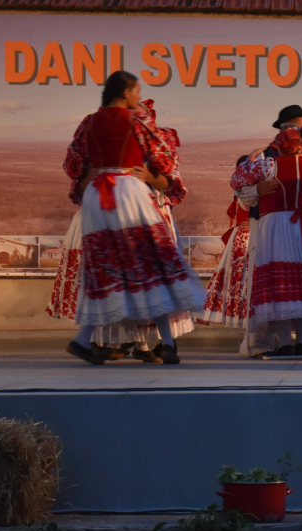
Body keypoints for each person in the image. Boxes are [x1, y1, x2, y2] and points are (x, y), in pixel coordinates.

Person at [62, 71, 204, 365]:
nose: (139, 96)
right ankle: (167, 343)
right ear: (125, 92)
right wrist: (150, 171)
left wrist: (96, 170)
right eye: (137, 91)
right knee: (150, 261)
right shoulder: (137, 120)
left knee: (105, 265)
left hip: (98, 194)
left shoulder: (89, 122)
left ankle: (82, 339)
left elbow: (72, 163)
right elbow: (165, 157)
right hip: (128, 190)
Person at [231, 128, 302, 357]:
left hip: (278, 225)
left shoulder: (267, 166)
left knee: (283, 282)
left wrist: (257, 188)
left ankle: (285, 342)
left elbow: (237, 179)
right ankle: (301, 342)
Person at [198, 156, 252, 329]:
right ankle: (244, 319)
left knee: (232, 278)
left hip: (239, 237)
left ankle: (223, 314)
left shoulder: (240, 191)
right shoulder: (250, 192)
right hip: (247, 238)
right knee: (244, 279)